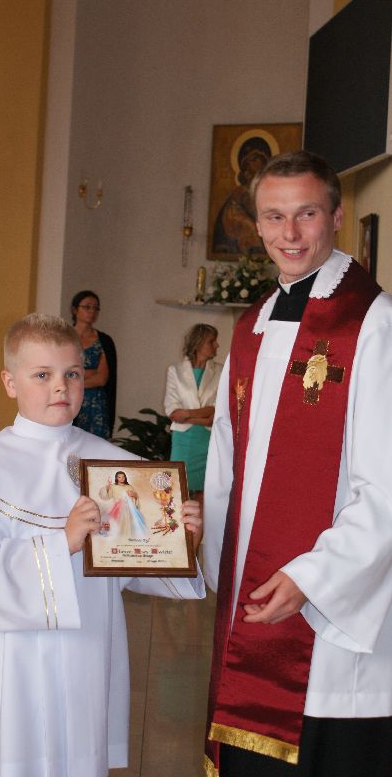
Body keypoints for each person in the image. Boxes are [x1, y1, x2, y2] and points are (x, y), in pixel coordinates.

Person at [0, 312, 205, 777]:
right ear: (10, 382)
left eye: (73, 374)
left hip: (86, 641)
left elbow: (134, 556)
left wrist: (181, 539)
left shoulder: (112, 464)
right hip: (13, 655)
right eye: (42, 375)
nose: (61, 387)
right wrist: (60, 543)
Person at [203, 151, 392, 777]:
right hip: (256, 601)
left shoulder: (373, 323)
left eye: (306, 214)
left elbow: (386, 486)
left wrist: (314, 577)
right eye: (273, 216)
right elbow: (228, 461)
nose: (289, 233)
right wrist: (201, 537)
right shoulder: (252, 326)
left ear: (336, 216)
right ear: (256, 224)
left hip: (330, 614)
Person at [164, 323, 222, 500]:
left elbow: (216, 409)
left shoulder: (220, 371)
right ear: (198, 344)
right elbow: (173, 411)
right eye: (211, 341)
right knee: (178, 488)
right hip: (183, 440)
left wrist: (187, 414)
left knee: (205, 493)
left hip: (208, 439)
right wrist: (203, 417)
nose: (217, 345)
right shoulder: (175, 370)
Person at [71, 290, 117, 439]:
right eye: (87, 307)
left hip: (95, 404)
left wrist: (74, 380)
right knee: (68, 447)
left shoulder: (104, 340)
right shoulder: (63, 337)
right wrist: (89, 373)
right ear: (74, 310)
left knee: (94, 447)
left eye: (96, 308)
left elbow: (101, 378)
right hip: (68, 399)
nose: (92, 311)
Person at [99, 470, 147, 537]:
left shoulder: (129, 487)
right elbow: (105, 496)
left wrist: (134, 495)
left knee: (129, 527)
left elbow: (135, 498)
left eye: (123, 477)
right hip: (118, 509)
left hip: (129, 510)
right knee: (118, 527)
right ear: (116, 478)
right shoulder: (113, 487)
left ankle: (128, 538)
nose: (122, 478)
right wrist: (108, 487)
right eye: (119, 477)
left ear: (125, 477)